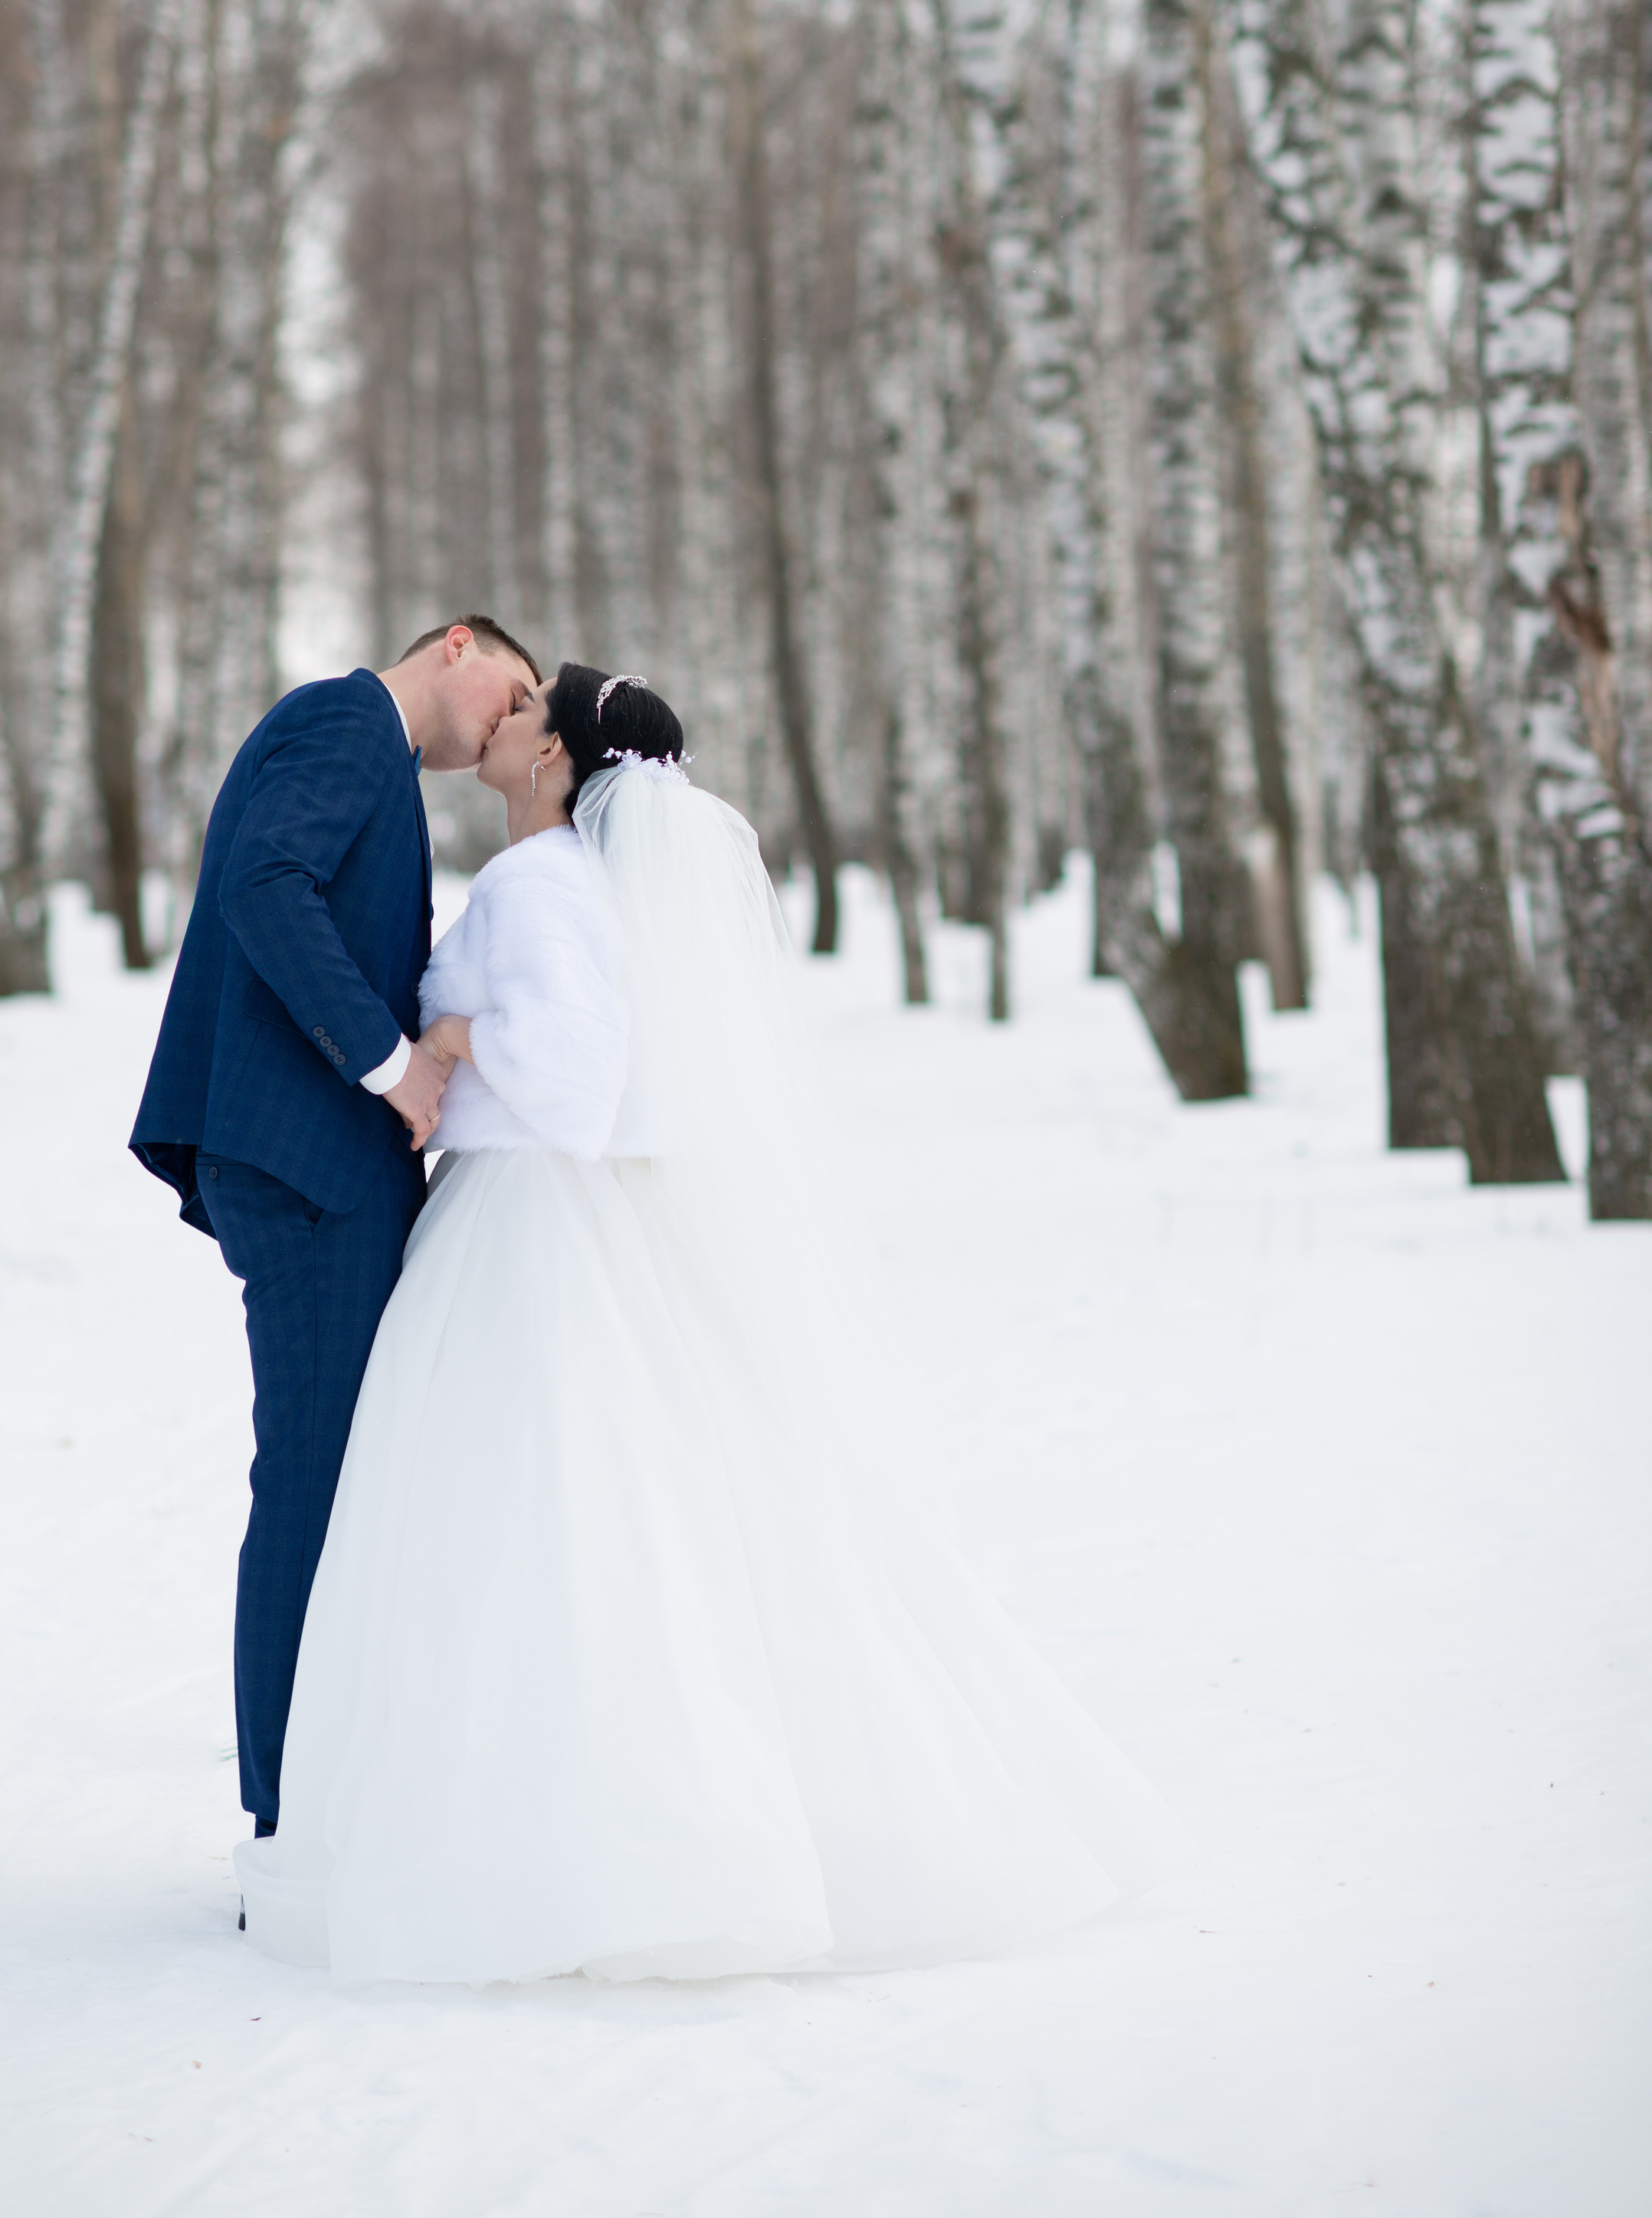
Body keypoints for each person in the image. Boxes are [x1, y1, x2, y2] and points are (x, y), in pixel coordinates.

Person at [235, 664, 1189, 1980]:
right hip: (530, 1218)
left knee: (532, 1523)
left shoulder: (540, 884)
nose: (494, 722)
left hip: (530, 1232)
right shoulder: (565, 883)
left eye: (518, 711)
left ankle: (563, 1839)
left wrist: (449, 1039)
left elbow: (573, 1088)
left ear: (557, 753)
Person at [129, 615, 539, 1838]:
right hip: (309, 1166)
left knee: (334, 1479)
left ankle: (314, 1799)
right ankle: (288, 1825)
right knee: (313, 1483)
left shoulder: (377, 755)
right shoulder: (348, 720)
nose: (507, 729)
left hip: (317, 1166)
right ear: (457, 645)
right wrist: (389, 1065)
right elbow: (267, 885)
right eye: (512, 694)